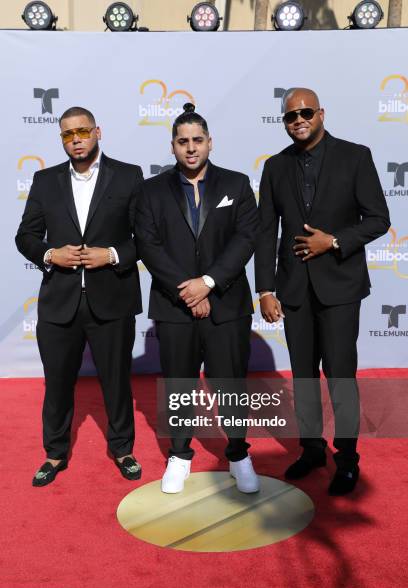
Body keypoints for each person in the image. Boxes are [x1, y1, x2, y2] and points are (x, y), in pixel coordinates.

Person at [255, 88, 390, 495]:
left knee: (340, 376)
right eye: (290, 115)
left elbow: (379, 219)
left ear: (321, 114)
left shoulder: (355, 156)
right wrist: (264, 288)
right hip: (294, 289)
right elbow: (266, 231)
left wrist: (333, 241)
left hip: (340, 288)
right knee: (303, 378)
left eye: (306, 112)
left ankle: (347, 458)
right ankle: (311, 448)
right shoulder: (276, 166)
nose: (298, 119)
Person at [134, 103, 260, 494]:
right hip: (175, 307)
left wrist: (207, 282)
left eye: (198, 140)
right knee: (178, 384)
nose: (191, 148)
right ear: (172, 146)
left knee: (231, 384)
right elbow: (148, 246)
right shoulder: (151, 190)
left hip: (226, 304)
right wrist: (188, 290)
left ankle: (238, 454)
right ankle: (179, 455)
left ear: (210, 143)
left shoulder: (236, 185)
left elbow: (246, 239)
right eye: (183, 141)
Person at [16, 106, 144, 486]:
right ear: (62, 139)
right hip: (60, 300)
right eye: (68, 134)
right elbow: (25, 236)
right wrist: (48, 254)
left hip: (112, 297)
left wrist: (114, 255)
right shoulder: (44, 180)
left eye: (83, 132)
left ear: (97, 132)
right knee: (56, 382)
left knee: (117, 381)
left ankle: (123, 449)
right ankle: (54, 454)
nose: (76, 140)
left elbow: (146, 238)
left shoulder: (129, 176)